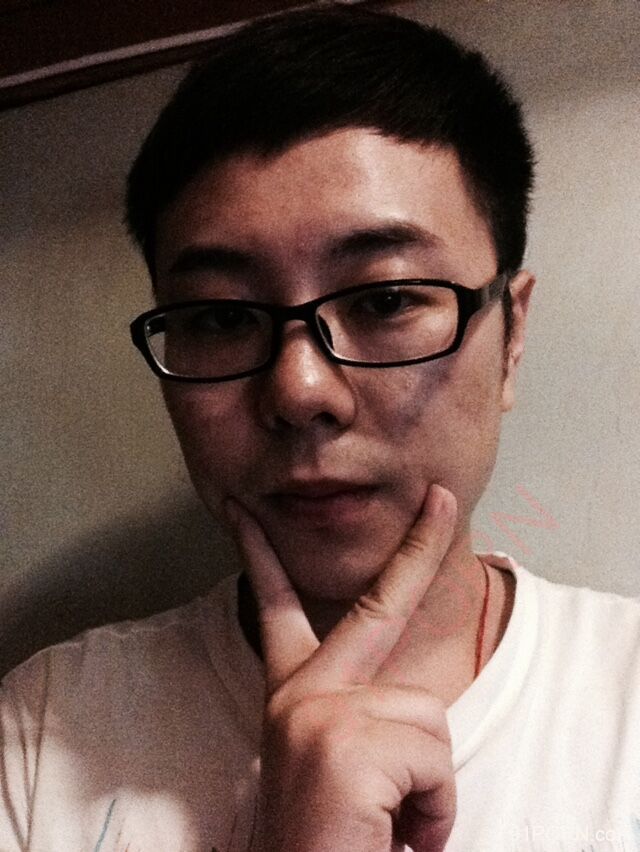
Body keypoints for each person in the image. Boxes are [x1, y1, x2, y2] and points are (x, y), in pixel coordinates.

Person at [2, 5, 640, 851]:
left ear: (511, 337)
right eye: (222, 317)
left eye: (386, 300)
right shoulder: (42, 737)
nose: (300, 391)